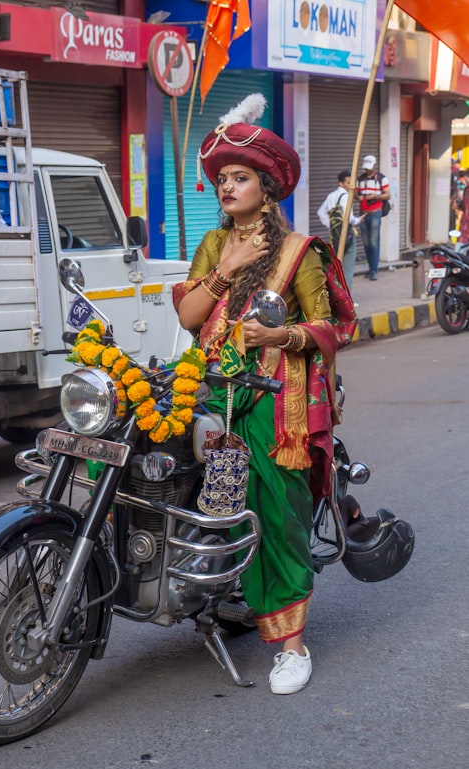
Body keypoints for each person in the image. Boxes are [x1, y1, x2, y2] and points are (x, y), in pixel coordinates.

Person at [172, 95, 356, 695]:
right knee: (221, 507)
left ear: (267, 186)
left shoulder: (300, 252)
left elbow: (334, 329)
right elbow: (188, 315)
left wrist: (281, 333)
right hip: (215, 399)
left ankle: (292, 647)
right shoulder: (212, 244)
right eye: (222, 178)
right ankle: (220, 597)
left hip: (279, 405)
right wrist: (226, 268)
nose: (227, 186)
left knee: (277, 518)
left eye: (240, 177)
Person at [317, 169, 364, 291]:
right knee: (347, 267)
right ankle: (347, 299)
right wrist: (358, 220)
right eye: (348, 183)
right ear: (341, 183)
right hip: (347, 234)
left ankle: (336, 295)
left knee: (336, 267)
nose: (351, 185)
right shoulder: (346, 196)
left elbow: (320, 212)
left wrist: (331, 226)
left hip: (334, 236)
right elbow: (349, 217)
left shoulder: (331, 196)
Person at [356, 155, 391, 280]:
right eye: (366, 169)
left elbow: (388, 195)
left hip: (376, 212)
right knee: (366, 243)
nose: (367, 171)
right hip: (363, 213)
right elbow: (356, 194)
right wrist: (359, 197)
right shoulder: (360, 179)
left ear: (375, 166)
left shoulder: (381, 178)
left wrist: (376, 196)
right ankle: (371, 268)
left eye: (369, 169)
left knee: (373, 242)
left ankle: (374, 270)